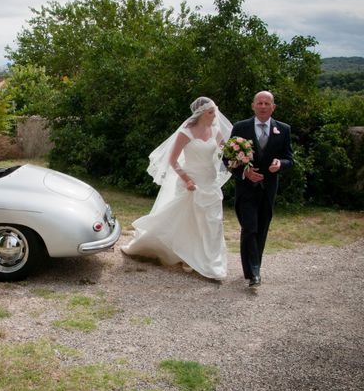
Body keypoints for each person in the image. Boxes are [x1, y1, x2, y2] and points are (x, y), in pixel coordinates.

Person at [121, 96, 232, 280]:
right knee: (187, 220)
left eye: (215, 111)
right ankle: (185, 254)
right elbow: (173, 160)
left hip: (209, 183)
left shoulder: (215, 130)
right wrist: (187, 179)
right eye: (211, 112)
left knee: (211, 221)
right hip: (191, 182)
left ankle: (209, 259)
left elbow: (225, 150)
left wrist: (239, 152)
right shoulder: (186, 132)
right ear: (202, 113)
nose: (215, 115)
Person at [229, 91, 294, 287]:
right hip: (246, 188)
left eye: (267, 103)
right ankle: (253, 273)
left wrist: (280, 164)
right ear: (253, 106)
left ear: (273, 107)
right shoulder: (240, 127)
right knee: (249, 228)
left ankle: (253, 268)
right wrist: (245, 172)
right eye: (260, 103)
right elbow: (227, 159)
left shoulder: (283, 129)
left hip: (268, 189)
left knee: (262, 228)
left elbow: (290, 159)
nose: (263, 106)